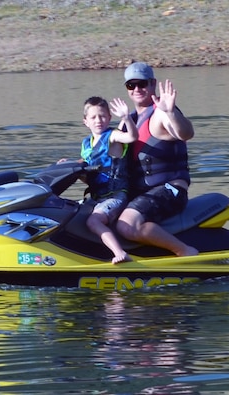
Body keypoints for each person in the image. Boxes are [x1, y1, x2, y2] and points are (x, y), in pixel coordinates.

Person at [114, 62, 199, 257]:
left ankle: (185, 251)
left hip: (171, 190)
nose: (137, 89)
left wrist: (171, 112)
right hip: (142, 192)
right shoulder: (129, 120)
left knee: (127, 226)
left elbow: (185, 133)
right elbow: (109, 154)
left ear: (152, 84)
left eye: (142, 84)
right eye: (131, 85)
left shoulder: (161, 111)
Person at [78, 96, 137, 264]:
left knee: (93, 220)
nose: (99, 120)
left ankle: (120, 252)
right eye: (94, 117)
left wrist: (126, 118)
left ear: (109, 118)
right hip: (97, 197)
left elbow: (132, 137)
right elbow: (90, 176)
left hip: (115, 196)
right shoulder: (86, 145)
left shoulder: (113, 136)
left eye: (103, 116)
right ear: (86, 121)